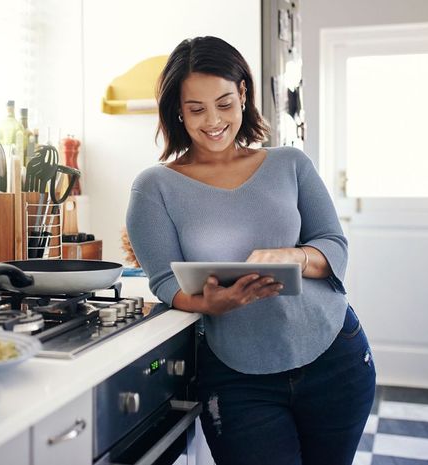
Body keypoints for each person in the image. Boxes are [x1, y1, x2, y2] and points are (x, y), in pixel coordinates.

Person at [125, 36, 375, 465]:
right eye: (196, 108)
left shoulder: (290, 164)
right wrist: (209, 303)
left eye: (224, 103)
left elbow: (334, 247)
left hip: (335, 356)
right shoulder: (154, 187)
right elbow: (165, 281)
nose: (213, 121)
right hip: (238, 376)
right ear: (178, 112)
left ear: (243, 93)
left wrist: (292, 256)